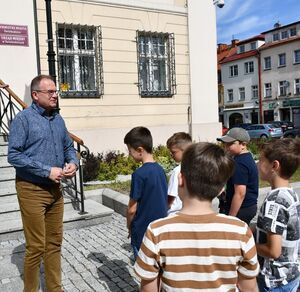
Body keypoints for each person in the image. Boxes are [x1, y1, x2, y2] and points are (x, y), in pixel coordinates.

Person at [134, 142, 259, 291]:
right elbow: (249, 288)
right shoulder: (241, 231)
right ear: (221, 189)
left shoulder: (156, 231)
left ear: (180, 180)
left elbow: (148, 289)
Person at [8, 75, 78, 292]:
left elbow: (68, 147)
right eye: (50, 92)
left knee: (54, 243)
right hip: (31, 189)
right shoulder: (23, 120)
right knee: (36, 247)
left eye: (56, 91)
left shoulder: (58, 119)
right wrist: (47, 170)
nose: (55, 95)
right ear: (35, 95)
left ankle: (54, 289)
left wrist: (73, 163)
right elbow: (14, 155)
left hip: (55, 190)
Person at [255, 138, 300, 292]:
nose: (257, 165)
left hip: (275, 281)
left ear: (274, 165)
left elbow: (273, 251)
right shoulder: (290, 195)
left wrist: (247, 247)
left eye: (261, 161)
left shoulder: (274, 201)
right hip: (291, 275)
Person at [124, 126, 168, 259]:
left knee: (144, 268)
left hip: (143, 230)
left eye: (130, 151)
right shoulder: (160, 170)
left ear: (139, 150)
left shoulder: (139, 174)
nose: (129, 154)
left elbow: (132, 209)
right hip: (161, 229)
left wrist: (129, 226)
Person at [217, 127, 258, 225]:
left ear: (243, 144)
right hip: (248, 206)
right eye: (225, 144)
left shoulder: (240, 163)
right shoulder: (246, 157)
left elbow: (240, 193)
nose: (226, 147)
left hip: (241, 208)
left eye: (230, 144)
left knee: (232, 237)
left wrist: (231, 218)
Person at [166, 132, 192, 214]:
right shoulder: (196, 167)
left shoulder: (177, 171)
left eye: (173, 152)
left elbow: (171, 197)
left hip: (174, 213)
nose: (171, 155)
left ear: (185, 151)